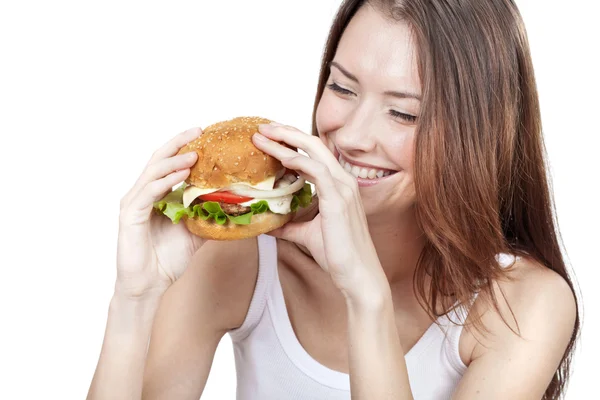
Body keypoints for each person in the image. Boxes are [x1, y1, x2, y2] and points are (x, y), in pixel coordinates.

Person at [86, 0, 580, 399]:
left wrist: (365, 297)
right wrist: (134, 301)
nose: (352, 136)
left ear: (480, 135)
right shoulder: (242, 256)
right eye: (342, 87)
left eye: (403, 114)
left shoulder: (523, 305)